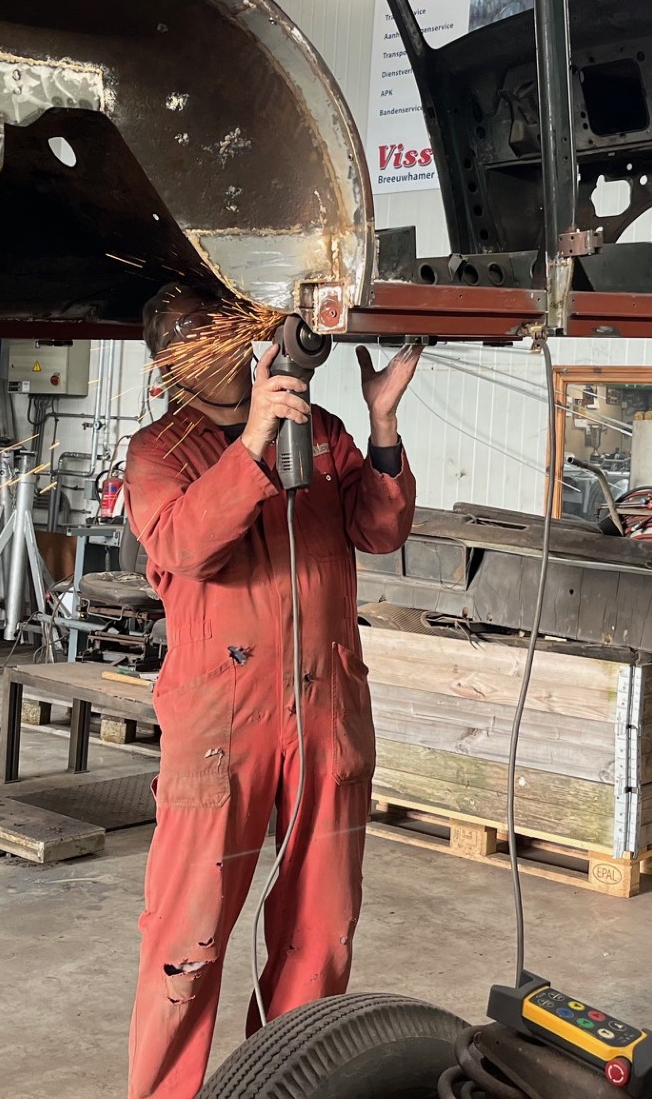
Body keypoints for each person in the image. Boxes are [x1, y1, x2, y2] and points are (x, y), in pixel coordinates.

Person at [124, 282, 421, 1099]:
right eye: (192, 336)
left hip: (327, 709)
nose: (215, 345)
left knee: (319, 930)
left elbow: (380, 529)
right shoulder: (158, 452)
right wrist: (254, 438)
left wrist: (382, 424)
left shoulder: (317, 430)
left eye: (219, 328)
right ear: (168, 363)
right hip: (221, 722)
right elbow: (187, 548)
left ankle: (288, 1085)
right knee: (188, 933)